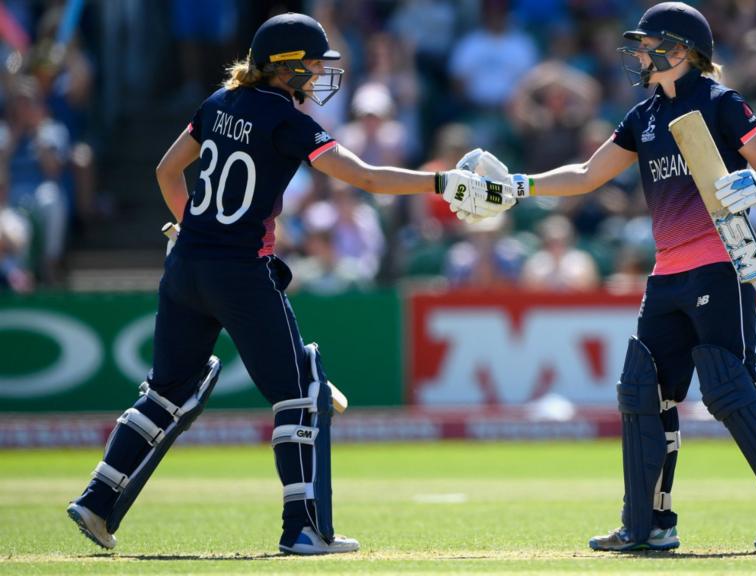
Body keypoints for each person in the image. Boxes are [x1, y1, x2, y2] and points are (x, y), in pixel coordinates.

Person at [65, 12, 516, 556]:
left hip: (185, 267)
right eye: (312, 63)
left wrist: (191, 228)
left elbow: (166, 171)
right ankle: (302, 530)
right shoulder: (289, 120)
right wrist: (442, 181)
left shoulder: (217, 103)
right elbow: (366, 177)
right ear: (284, 66)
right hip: (240, 273)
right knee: (300, 390)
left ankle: (97, 500)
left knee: (167, 392)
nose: (319, 73)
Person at [452, 2, 756, 552]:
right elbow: (587, 174)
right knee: (642, 390)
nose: (638, 55)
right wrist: (520, 185)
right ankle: (649, 524)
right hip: (667, 271)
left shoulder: (721, 103)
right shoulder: (645, 115)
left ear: (680, 50)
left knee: (730, 387)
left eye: (648, 45)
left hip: (720, 263)